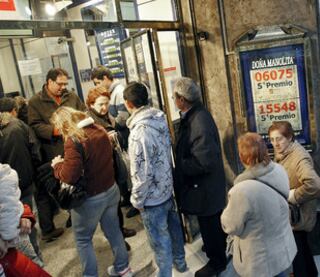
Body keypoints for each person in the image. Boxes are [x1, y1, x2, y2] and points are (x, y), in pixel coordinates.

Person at [50, 107, 133, 277]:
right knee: (114, 231)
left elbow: (69, 176)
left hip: (90, 199)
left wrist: (57, 165)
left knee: (83, 240)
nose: (58, 132)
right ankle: (123, 268)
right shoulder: (99, 129)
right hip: (111, 190)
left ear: (65, 124)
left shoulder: (75, 140)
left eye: (59, 127)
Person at [123, 82, 188, 277]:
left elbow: (141, 173)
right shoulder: (159, 118)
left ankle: (165, 274)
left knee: (159, 241)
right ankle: (181, 263)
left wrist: (137, 200)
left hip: (152, 198)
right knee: (175, 231)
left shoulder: (138, 132)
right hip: (167, 189)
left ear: (128, 104)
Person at [221, 132, 297, 277]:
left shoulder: (241, 191)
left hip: (259, 260)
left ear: (242, 156)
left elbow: (231, 226)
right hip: (282, 250)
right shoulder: (279, 170)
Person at [173, 77, 227, 277]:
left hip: (205, 187)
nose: (173, 100)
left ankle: (217, 262)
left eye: (174, 97)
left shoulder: (198, 121)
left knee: (209, 222)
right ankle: (216, 249)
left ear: (182, 100)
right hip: (205, 186)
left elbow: (203, 161)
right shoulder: (195, 115)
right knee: (210, 223)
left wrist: (180, 166)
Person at [28, 68, 84, 241]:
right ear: (49, 82)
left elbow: (82, 113)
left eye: (65, 84)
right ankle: (58, 220)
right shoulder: (35, 102)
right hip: (53, 151)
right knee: (55, 187)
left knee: (75, 181)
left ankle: (75, 214)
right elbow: (34, 125)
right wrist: (55, 130)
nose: (63, 87)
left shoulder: (72, 96)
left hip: (74, 146)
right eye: (59, 84)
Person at [268, 121, 320, 277]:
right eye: (272, 139)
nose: (275, 143)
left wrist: (293, 196)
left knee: (297, 252)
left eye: (279, 139)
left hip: (299, 215)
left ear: (290, 137)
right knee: (302, 249)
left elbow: (315, 185)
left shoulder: (298, 157)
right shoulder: (285, 152)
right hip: (296, 215)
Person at [86, 87, 137, 246]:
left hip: (112, 163)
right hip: (101, 170)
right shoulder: (90, 122)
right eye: (100, 104)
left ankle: (120, 230)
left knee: (115, 204)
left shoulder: (106, 116)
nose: (104, 107)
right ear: (91, 104)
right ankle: (118, 240)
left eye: (106, 103)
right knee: (109, 210)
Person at [91, 66, 138, 218]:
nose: (97, 86)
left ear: (106, 77)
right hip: (118, 139)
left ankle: (133, 202)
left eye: (98, 82)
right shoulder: (111, 94)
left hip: (123, 137)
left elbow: (123, 117)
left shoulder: (118, 91)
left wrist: (113, 126)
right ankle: (127, 198)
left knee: (129, 171)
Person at [0, 97, 42, 258]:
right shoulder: (19, 126)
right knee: (28, 227)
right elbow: (34, 151)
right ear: (13, 111)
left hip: (7, 193)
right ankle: (36, 260)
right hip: (23, 185)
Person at [0, 163, 50, 276]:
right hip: (10, 254)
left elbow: (11, 200)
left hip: (16, 246)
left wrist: (24, 215)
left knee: (35, 262)